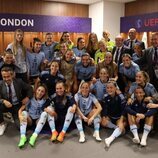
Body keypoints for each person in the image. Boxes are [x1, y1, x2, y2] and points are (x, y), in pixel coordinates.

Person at [0, 67, 33, 135]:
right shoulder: (0, 84)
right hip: (6, 105)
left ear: (12, 75)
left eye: (8, 76)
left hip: (17, 106)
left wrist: (27, 97)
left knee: (21, 127)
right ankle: (2, 123)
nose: (6, 79)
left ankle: (12, 116)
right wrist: (3, 101)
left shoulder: (19, 82)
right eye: (4, 77)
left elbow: (30, 88)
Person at [101, 81, 126, 148]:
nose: (109, 89)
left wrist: (121, 120)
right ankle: (116, 128)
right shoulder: (105, 96)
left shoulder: (121, 96)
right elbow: (105, 108)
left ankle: (110, 139)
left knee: (122, 127)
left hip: (119, 117)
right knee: (102, 122)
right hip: (110, 117)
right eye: (108, 88)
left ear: (115, 88)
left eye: (111, 87)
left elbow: (124, 110)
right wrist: (103, 117)